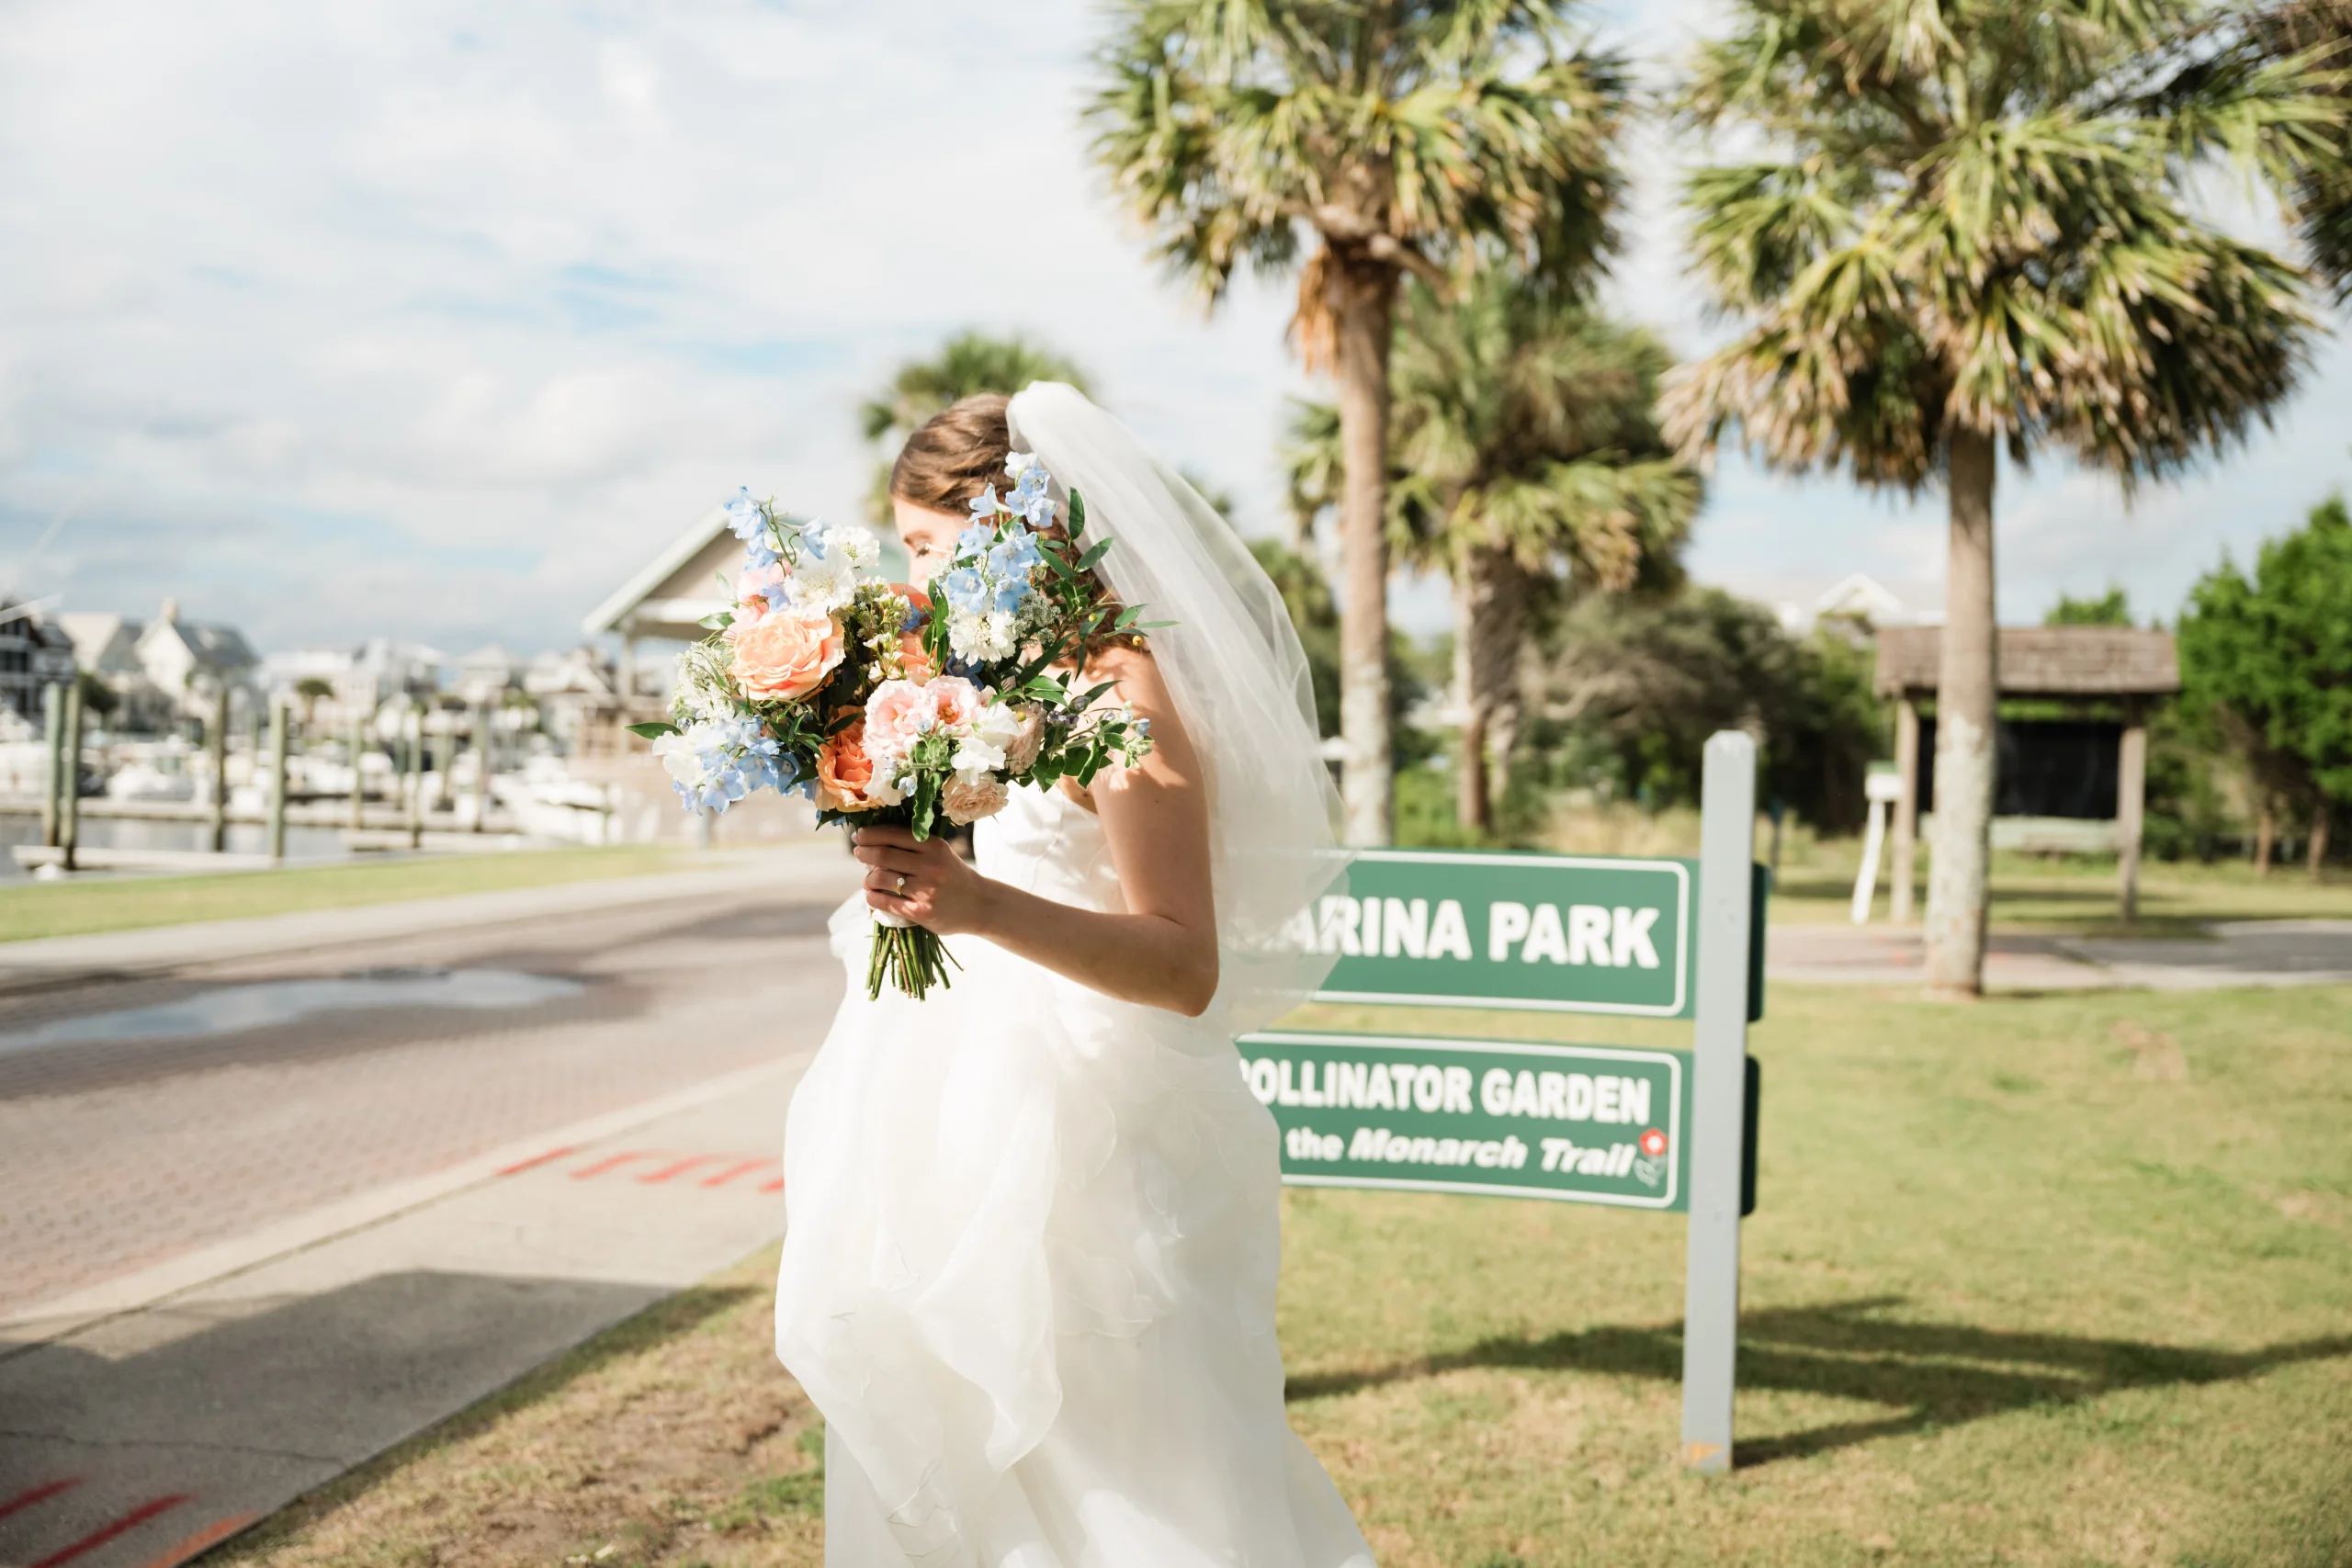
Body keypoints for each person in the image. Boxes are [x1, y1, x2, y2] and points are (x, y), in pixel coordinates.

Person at [774, 383, 1374, 1568]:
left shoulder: (1125, 696)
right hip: (955, 1100)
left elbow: (1185, 964)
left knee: (1129, 1467)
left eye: (935, 548)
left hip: (1095, 1125)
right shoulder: (984, 686)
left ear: (1019, 535)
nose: (919, 579)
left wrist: (980, 905)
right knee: (957, 1435)